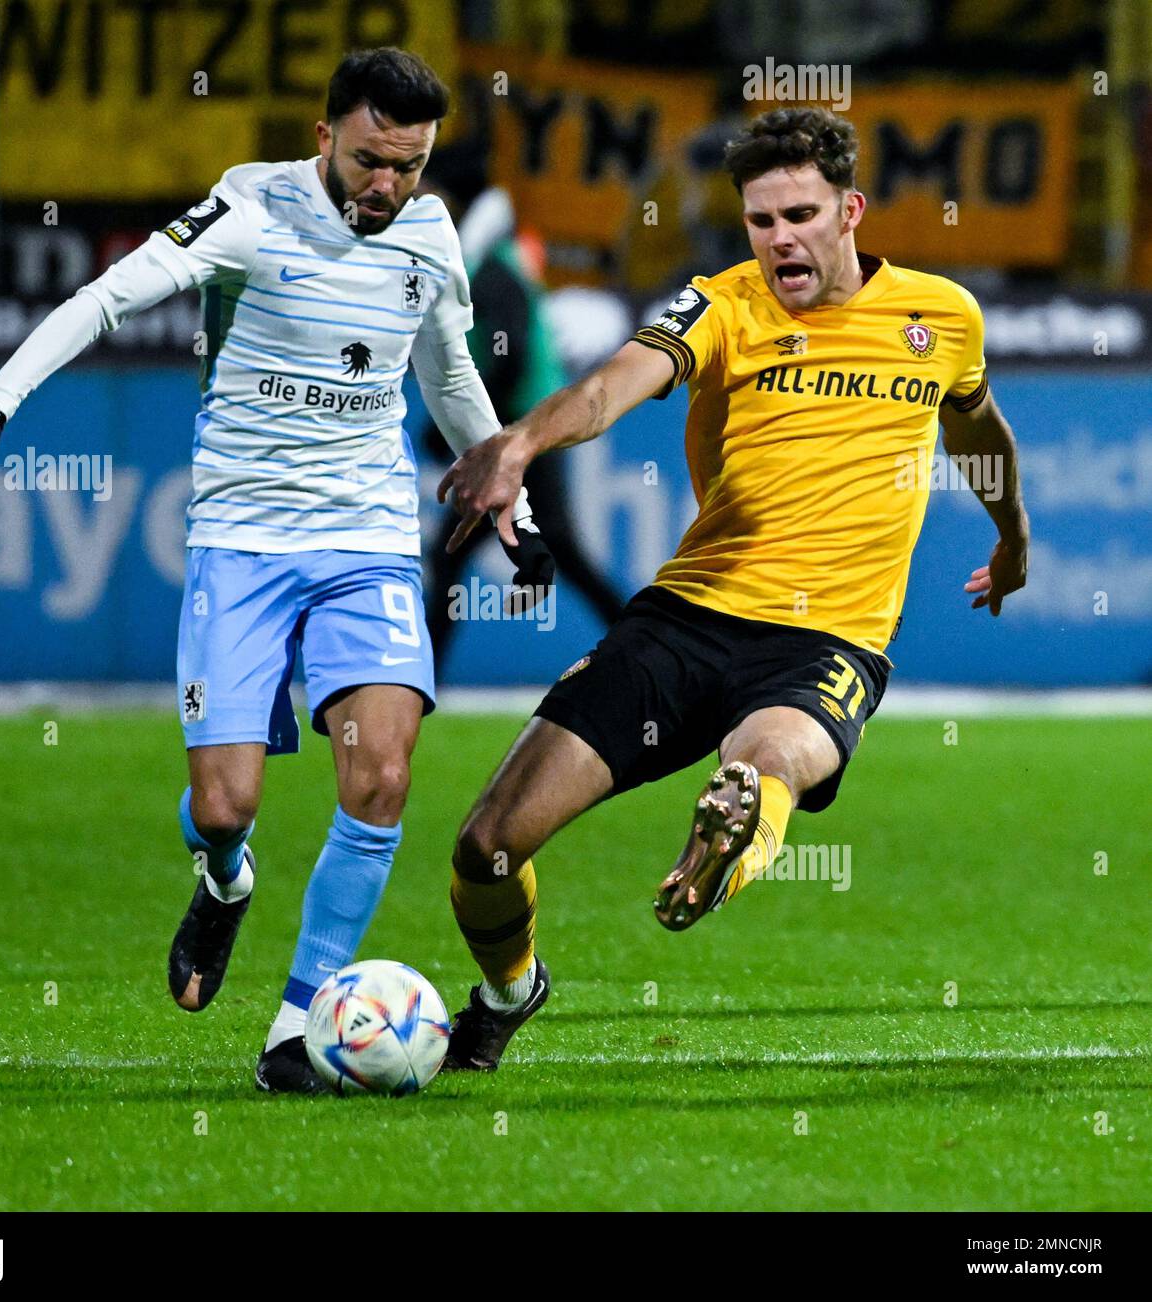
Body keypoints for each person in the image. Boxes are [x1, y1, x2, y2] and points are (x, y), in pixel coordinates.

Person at [0, 46, 553, 1094]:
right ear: (323, 140)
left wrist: (509, 503)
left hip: (365, 544)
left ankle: (298, 1023)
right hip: (244, 539)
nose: (387, 187)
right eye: (368, 162)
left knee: (384, 775)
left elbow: (445, 374)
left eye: (409, 165)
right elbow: (107, 299)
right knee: (222, 807)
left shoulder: (430, 234)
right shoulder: (250, 212)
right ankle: (224, 881)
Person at [433, 107, 1030, 1071]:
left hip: (828, 643)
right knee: (487, 847)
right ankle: (511, 987)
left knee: (767, 764)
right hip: (687, 619)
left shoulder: (942, 318)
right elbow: (603, 389)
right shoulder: (722, 306)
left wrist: (1012, 537)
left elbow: (977, 429)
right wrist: (519, 442)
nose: (779, 238)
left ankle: (734, 833)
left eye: (799, 214)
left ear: (851, 212)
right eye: (760, 220)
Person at [417, 145, 624, 655]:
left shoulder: (488, 265)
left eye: (427, 188)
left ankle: (420, 680)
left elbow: (508, 358)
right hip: (521, 425)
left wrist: (469, 427)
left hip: (521, 428)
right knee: (534, 547)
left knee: (459, 551)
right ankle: (639, 642)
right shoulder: (491, 257)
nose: (416, 195)